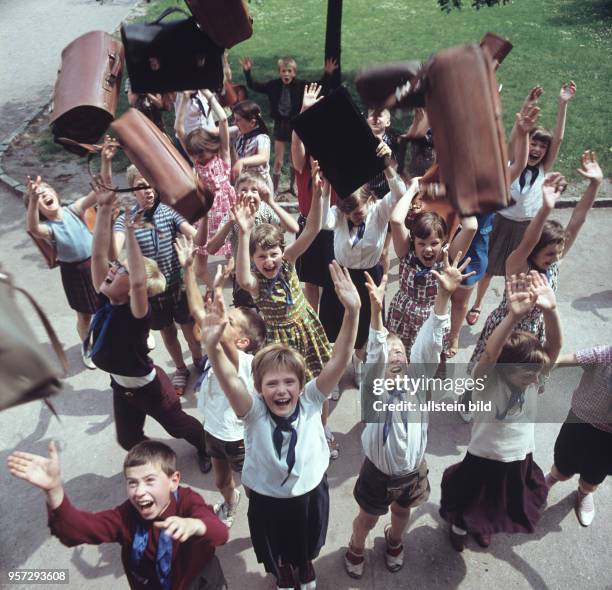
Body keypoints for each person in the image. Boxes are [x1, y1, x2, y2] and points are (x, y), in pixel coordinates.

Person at [201, 261, 361, 590]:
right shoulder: (253, 410)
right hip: (268, 497)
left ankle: (304, 567)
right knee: (276, 546)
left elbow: (341, 358)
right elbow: (229, 378)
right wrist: (212, 346)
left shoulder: (312, 400)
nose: (282, 390)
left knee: (305, 544)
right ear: (259, 389)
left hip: (308, 492)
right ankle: (285, 572)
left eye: (289, 382)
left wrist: (353, 312)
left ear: (302, 386)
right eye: (272, 383)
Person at [345, 250, 474, 578]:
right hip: (377, 473)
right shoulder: (374, 391)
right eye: (389, 354)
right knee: (367, 517)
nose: (395, 357)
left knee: (402, 514)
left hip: (412, 472)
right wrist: (376, 313)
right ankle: (356, 545)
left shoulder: (417, 382)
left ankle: (395, 540)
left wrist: (444, 298)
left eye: (400, 351)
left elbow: (429, 346)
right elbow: (375, 351)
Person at [88, 178, 211, 473]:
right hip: (121, 386)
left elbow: (140, 280)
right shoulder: (107, 298)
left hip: (149, 387)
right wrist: (104, 209)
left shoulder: (136, 314)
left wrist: (130, 234)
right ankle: (157, 458)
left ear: (132, 289)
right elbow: (98, 256)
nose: (112, 269)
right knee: (128, 439)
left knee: (180, 426)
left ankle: (208, 447)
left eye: (121, 271)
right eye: (116, 267)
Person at [440, 271, 562, 551]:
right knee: (470, 496)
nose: (536, 378)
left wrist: (552, 311)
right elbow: (490, 355)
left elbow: (554, 346)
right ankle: (460, 523)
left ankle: (484, 525)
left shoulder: (533, 382)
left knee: (496, 501)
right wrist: (513, 317)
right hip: (484, 455)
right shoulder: (487, 384)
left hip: (518, 457)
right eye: (528, 372)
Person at [7, 440, 228, 589]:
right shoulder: (126, 516)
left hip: (200, 582)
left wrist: (196, 525)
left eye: (149, 480)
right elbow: (76, 530)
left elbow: (219, 533)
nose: (139, 492)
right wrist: (54, 490)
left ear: (174, 480)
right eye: (132, 483)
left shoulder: (188, 502)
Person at [469, 153, 603, 376]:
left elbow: (578, 218)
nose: (557, 256)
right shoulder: (517, 265)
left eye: (559, 251)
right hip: (507, 329)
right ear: (535, 250)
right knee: (488, 372)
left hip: (534, 330)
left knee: (518, 377)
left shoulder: (553, 263)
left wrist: (594, 184)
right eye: (550, 252)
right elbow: (529, 239)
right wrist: (545, 208)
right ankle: (470, 398)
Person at [467, 82, 576, 325]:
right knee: (487, 268)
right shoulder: (510, 164)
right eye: (533, 144)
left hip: (526, 228)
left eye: (541, 146)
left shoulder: (543, 169)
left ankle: (507, 305)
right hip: (500, 222)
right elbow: (518, 131)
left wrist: (563, 104)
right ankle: (477, 304)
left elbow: (558, 139)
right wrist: (528, 104)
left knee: (518, 270)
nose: (536, 150)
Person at [176, 235, 266, 527]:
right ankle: (230, 502)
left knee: (253, 486)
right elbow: (198, 313)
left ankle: (265, 512)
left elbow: (205, 317)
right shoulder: (217, 347)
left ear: (240, 341)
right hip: (213, 430)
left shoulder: (242, 363)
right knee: (220, 481)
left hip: (238, 439)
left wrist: (215, 292)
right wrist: (188, 268)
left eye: (229, 318)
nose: (221, 316)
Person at [318, 142, 413, 387]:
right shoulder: (338, 215)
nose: (354, 216)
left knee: (364, 330)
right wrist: (326, 187)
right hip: (340, 277)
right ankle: (336, 373)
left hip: (368, 276)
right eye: (349, 213)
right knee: (336, 328)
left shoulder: (380, 210)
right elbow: (320, 222)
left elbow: (401, 196)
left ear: (368, 199)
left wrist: (388, 166)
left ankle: (359, 366)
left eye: (358, 211)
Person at [113, 165, 204, 397]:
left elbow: (196, 236)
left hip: (178, 285)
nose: (149, 191)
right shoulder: (128, 220)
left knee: (191, 331)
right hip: (153, 292)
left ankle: (199, 362)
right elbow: (114, 249)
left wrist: (206, 217)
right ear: (133, 191)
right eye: (142, 187)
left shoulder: (168, 212)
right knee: (167, 333)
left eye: (151, 186)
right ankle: (181, 369)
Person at [23, 138, 114, 369]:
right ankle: (88, 347)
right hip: (74, 272)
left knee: (114, 301)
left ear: (55, 193)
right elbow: (33, 228)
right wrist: (32, 201)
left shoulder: (73, 209)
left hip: (96, 263)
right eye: (39, 197)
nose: (44, 195)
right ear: (38, 208)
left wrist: (105, 161)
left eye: (46, 191)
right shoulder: (49, 229)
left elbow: (102, 186)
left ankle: (125, 335)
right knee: (84, 316)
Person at [387, 188, 477, 360]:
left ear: (443, 242)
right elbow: (396, 220)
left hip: (433, 317)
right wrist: (413, 188)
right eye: (422, 243)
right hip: (402, 314)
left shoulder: (448, 257)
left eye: (434, 243)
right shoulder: (406, 252)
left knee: (427, 361)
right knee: (398, 359)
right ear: (413, 241)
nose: (428, 249)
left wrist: (455, 193)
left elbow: (471, 226)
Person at [240, 56, 338, 194]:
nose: (286, 74)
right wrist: (247, 72)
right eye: (283, 71)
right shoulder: (273, 85)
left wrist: (328, 73)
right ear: (279, 72)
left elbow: (319, 85)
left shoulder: (300, 85)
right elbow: (254, 85)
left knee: (294, 160)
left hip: (295, 124)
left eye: (289, 71)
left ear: (294, 73)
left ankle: (293, 187)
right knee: (278, 161)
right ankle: (273, 189)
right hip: (280, 124)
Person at [206, 171, 299, 307]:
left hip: (270, 271)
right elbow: (211, 248)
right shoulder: (232, 216)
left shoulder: (265, 210)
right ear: (236, 194)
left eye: (254, 190)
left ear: (261, 194)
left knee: (273, 316)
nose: (249, 194)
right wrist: (229, 223)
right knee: (249, 321)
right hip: (246, 278)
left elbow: (292, 228)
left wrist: (272, 202)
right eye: (244, 190)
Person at [546, 345, 612, 527]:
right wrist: (550, 364)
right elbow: (574, 358)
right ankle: (550, 479)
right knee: (562, 465)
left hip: (609, 441)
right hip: (580, 423)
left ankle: (584, 493)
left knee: (593, 478)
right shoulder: (606, 354)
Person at [291, 83, 337, 313]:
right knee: (310, 281)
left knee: (333, 282)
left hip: (335, 228)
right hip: (310, 224)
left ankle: (331, 327)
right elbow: (297, 149)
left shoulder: (338, 154)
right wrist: (303, 111)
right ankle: (313, 322)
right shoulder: (305, 159)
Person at [185, 89, 236, 262]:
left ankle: (232, 274)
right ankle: (212, 286)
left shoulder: (222, 156)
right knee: (202, 254)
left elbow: (222, 119)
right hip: (207, 211)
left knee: (231, 249)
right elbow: (178, 129)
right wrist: (184, 101)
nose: (198, 157)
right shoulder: (196, 164)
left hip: (225, 206)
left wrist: (207, 94)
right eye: (195, 154)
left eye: (201, 152)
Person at [231, 100, 273, 189]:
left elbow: (263, 157)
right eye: (234, 119)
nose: (234, 123)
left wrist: (242, 162)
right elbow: (218, 132)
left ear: (252, 123)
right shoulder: (240, 135)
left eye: (238, 120)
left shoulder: (261, 138)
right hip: (244, 185)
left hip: (260, 186)